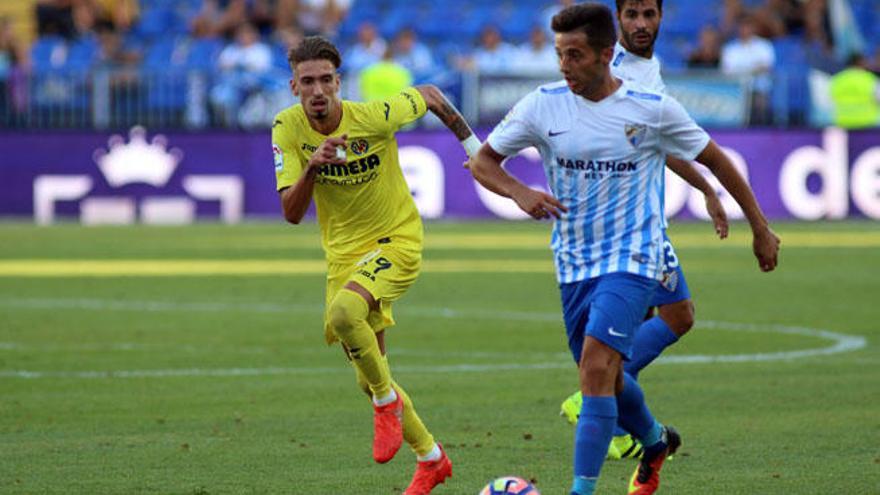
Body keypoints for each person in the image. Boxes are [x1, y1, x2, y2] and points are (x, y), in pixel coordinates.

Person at [466, 4, 780, 495]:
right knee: (607, 379)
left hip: (636, 257)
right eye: (560, 55)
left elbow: (717, 160)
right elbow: (484, 162)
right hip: (574, 262)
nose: (564, 65)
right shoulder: (541, 105)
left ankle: (581, 491)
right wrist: (519, 192)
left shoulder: (650, 107)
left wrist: (760, 227)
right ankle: (654, 442)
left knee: (596, 367)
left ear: (605, 55)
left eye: (575, 55)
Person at [272, 36, 481, 495]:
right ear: (294, 87)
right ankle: (431, 458)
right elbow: (290, 211)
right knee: (369, 379)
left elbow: (429, 95)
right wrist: (312, 166)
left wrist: (475, 148)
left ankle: (388, 404)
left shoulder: (373, 116)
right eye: (308, 82)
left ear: (339, 81)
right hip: (344, 256)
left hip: (397, 240)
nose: (318, 90)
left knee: (345, 316)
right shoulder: (287, 129)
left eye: (326, 79)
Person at [559, 0, 732, 462]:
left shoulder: (641, 70)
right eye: (631, 15)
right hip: (633, 230)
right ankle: (600, 404)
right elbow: (652, 138)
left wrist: (706, 189)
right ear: (618, 19)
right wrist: (707, 187)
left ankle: (604, 399)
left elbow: (656, 141)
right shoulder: (620, 74)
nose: (640, 24)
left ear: (661, 17)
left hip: (640, 225)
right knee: (664, 322)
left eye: (648, 15)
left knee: (678, 314)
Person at [721, 14, 776, 125]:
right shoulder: (730, 49)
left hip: (758, 88)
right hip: (735, 89)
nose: (745, 29)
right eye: (742, 26)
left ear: (753, 28)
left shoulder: (764, 45)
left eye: (748, 26)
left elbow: (766, 67)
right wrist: (752, 70)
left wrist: (743, 71)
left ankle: (761, 132)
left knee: (759, 102)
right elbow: (727, 71)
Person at [829, 52, 880, 129]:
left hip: (842, 123)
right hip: (868, 124)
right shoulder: (870, 80)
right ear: (860, 63)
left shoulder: (837, 80)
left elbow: (828, 101)